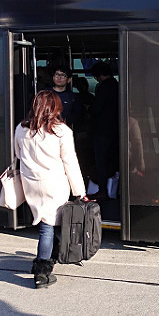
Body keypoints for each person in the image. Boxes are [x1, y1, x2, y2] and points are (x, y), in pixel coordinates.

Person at [15, 90, 87, 289]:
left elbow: (18, 155)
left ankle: (54, 256)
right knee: (47, 226)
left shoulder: (21, 129)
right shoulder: (61, 131)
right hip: (54, 184)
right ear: (55, 107)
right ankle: (41, 272)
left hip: (31, 184)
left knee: (47, 221)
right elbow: (70, 162)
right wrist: (79, 191)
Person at [89, 61, 119, 199]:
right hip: (116, 129)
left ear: (99, 75)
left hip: (102, 130)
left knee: (101, 161)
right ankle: (117, 190)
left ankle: (103, 190)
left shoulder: (103, 88)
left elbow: (96, 109)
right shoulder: (117, 86)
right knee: (113, 160)